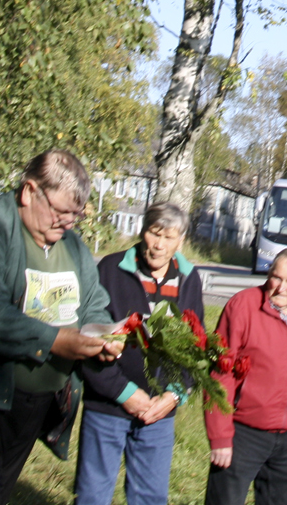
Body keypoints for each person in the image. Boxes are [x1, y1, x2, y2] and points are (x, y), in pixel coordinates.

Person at [0, 149, 123, 505]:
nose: (67, 224)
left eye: (75, 216)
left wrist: (103, 335)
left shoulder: (71, 245)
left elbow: (93, 300)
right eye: (61, 212)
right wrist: (55, 340)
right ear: (29, 191)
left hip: (32, 403)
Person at [77, 202, 206, 505]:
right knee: (92, 496)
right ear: (142, 230)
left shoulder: (189, 279)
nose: (159, 245)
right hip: (107, 407)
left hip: (159, 415)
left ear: (181, 240)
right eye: (154, 233)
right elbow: (89, 339)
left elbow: (195, 349)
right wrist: (124, 393)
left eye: (169, 237)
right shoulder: (110, 269)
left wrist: (174, 395)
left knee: (150, 498)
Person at [204, 247, 287, 505]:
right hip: (243, 433)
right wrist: (220, 436)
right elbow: (220, 375)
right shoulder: (242, 307)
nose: (280, 287)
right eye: (276, 277)